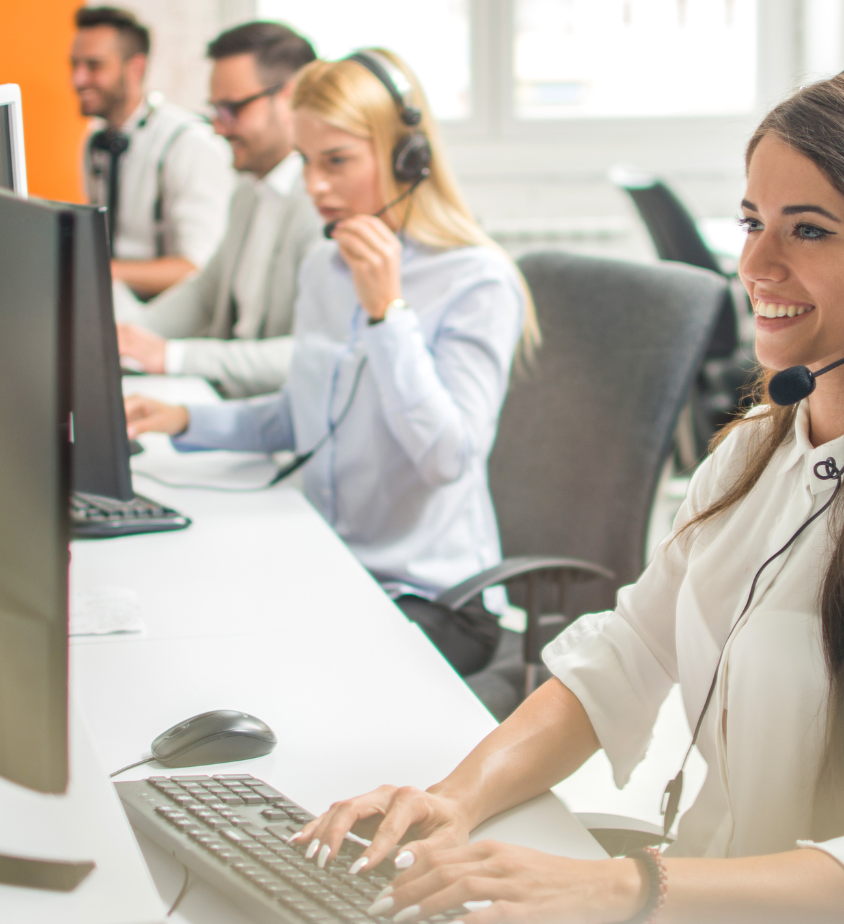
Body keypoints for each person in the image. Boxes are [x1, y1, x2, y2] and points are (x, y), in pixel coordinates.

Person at [289, 66, 844, 924]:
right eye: (752, 222)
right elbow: (625, 655)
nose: (756, 264)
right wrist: (456, 798)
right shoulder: (749, 461)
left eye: (807, 230)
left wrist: (625, 886)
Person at [125, 49, 536, 677]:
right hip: (332, 566)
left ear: (409, 159)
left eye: (337, 161)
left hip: (432, 601)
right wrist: (184, 418)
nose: (315, 186)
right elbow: (303, 415)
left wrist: (386, 314)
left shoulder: (476, 281)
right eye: (306, 161)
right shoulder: (324, 266)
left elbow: (447, 459)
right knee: (180, 627)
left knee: (265, 675)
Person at [114, 22, 321, 399]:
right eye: (215, 109)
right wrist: (128, 339)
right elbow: (205, 292)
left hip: (280, 421)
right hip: (231, 402)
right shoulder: (248, 190)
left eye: (233, 109)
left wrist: (173, 357)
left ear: (291, 98)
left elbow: (309, 356)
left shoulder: (323, 206)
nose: (219, 128)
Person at [72, 6, 234, 301]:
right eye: (74, 65)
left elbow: (197, 267)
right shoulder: (94, 142)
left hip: (170, 320)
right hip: (116, 305)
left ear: (135, 68)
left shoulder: (188, 143)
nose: (78, 80)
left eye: (94, 66)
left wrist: (98, 271)